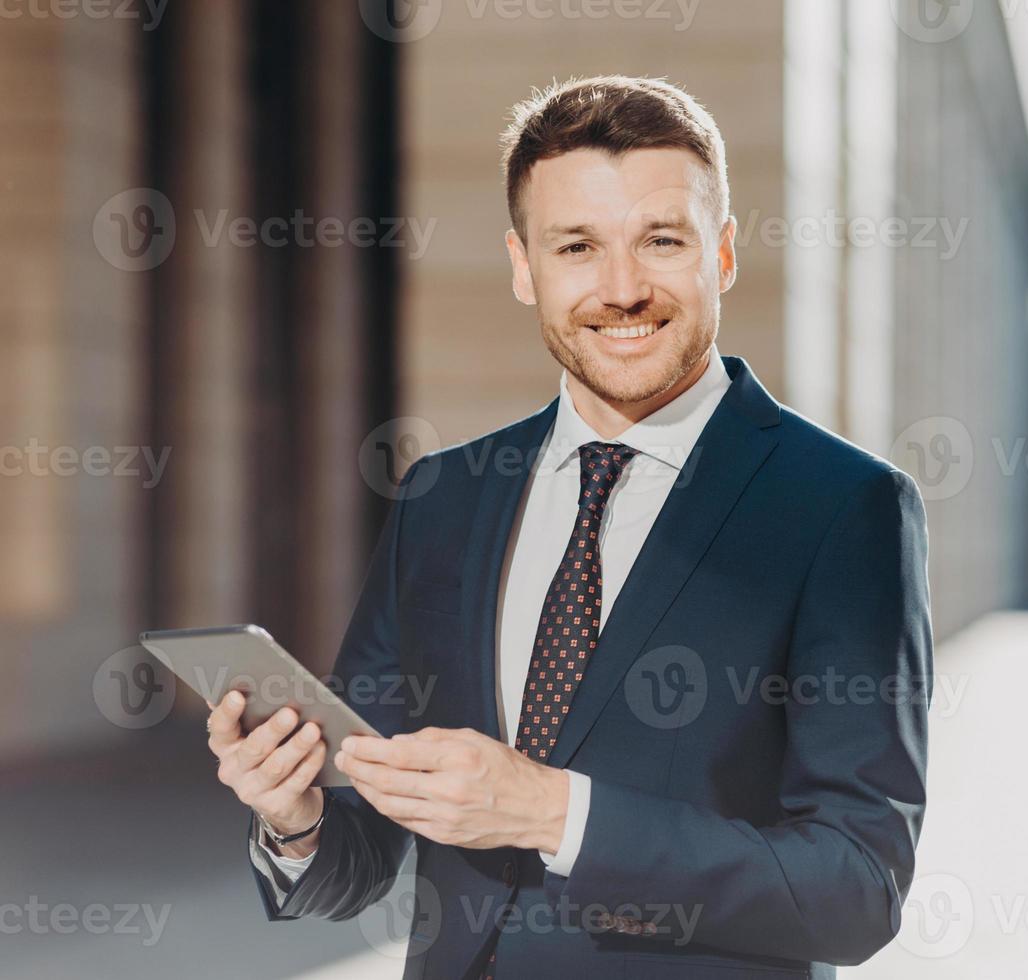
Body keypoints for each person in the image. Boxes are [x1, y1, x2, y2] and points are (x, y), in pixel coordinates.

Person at [205, 75, 933, 979]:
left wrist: (551, 813)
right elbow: (364, 858)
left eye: (661, 241)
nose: (621, 288)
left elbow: (856, 889)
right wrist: (296, 819)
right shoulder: (444, 497)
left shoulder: (843, 507)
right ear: (525, 266)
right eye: (578, 246)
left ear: (726, 254)